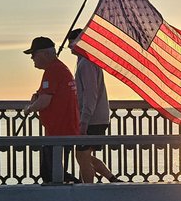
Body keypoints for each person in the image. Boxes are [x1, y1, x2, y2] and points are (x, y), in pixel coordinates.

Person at [22, 36, 80, 183]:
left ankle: (75, 189)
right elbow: (46, 94)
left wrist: (29, 109)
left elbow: (44, 101)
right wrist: (37, 95)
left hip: (59, 131)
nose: (32, 59)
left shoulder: (53, 70)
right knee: (54, 171)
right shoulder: (59, 69)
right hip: (63, 129)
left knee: (51, 174)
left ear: (44, 54)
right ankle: (75, 187)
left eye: (33, 55)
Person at [67, 29, 120, 183]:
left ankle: (88, 189)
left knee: (82, 156)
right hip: (97, 118)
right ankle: (111, 178)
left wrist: (84, 120)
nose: (69, 45)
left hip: (93, 119)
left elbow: (90, 94)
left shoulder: (86, 64)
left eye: (72, 42)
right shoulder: (85, 61)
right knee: (84, 155)